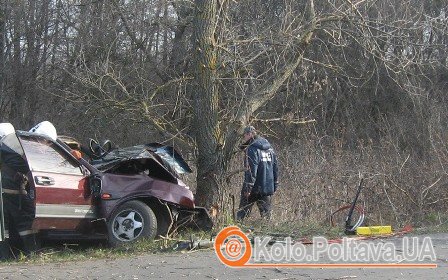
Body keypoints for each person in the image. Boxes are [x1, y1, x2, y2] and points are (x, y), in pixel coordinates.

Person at [0, 123, 37, 259]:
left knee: (4, 228)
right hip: (13, 193)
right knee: (26, 221)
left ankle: (5, 256)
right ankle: (32, 253)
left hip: (6, 194)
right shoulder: (14, 148)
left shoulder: (6, 151)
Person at [237, 126, 278, 220]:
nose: (244, 138)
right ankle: (268, 233)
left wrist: (248, 188)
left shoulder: (252, 149)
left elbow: (251, 171)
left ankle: (239, 232)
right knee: (267, 218)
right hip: (267, 188)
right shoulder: (270, 149)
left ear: (249, 134)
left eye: (245, 136)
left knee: (241, 217)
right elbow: (275, 168)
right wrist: (275, 185)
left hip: (254, 188)